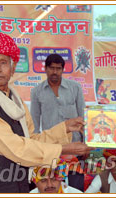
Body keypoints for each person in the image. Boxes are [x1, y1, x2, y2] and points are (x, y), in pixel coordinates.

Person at [0, 32, 93, 193]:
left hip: (17, 185)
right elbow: (15, 147)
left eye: (3, 62)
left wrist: (64, 127)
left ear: (13, 67)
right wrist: (64, 149)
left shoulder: (15, 101)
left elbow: (32, 139)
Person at [30, 53, 85, 191]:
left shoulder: (75, 88)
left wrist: (86, 144)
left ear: (63, 69)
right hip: (51, 150)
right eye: (51, 68)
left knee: (75, 188)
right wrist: (36, 149)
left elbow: (84, 117)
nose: (55, 72)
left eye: (58, 68)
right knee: (51, 186)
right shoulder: (37, 92)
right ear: (45, 69)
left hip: (75, 149)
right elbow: (35, 123)